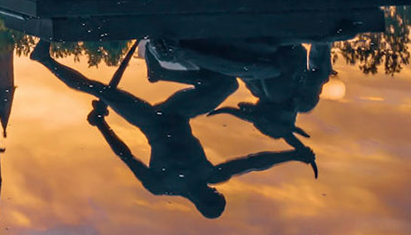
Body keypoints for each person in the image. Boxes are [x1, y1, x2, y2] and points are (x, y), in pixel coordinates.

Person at [30, 41, 314, 217]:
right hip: (179, 114)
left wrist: (103, 125)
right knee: (227, 84)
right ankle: (162, 72)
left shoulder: (160, 185)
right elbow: (253, 163)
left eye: (212, 196)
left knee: (98, 89)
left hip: (151, 122)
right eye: (215, 194)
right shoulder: (210, 175)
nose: (212, 191)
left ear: (204, 201)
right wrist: (292, 156)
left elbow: (125, 155)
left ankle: (43, 58)